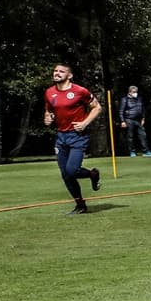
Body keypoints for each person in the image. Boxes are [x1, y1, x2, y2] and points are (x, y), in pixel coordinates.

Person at [44, 63, 102, 214]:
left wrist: (85, 123)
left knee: (71, 170)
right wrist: (47, 118)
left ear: (69, 75)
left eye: (61, 71)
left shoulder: (79, 91)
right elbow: (49, 110)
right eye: (55, 71)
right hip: (61, 137)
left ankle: (92, 174)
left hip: (77, 136)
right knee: (65, 174)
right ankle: (80, 205)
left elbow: (97, 107)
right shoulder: (49, 92)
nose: (57, 73)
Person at [118, 84, 151, 157]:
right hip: (128, 120)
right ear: (129, 92)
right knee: (130, 137)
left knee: (143, 135)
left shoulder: (139, 99)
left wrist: (143, 118)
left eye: (136, 91)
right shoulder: (124, 99)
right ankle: (132, 152)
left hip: (138, 120)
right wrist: (122, 121)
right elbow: (121, 111)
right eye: (133, 92)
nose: (135, 93)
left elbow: (142, 109)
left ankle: (146, 151)